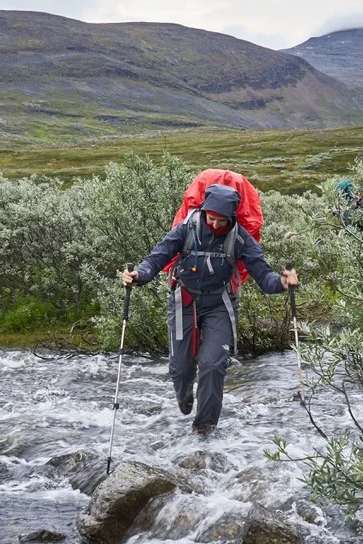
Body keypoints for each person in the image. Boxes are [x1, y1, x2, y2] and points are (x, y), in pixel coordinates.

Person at [123, 183, 299, 435]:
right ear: (203, 210)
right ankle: (185, 397)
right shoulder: (186, 228)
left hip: (220, 304)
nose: (215, 224)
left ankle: (204, 429)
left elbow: (263, 276)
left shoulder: (240, 237)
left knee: (213, 365)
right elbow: (157, 257)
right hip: (184, 301)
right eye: (211, 218)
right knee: (180, 368)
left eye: (221, 220)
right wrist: (139, 275)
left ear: (232, 217)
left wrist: (282, 282)